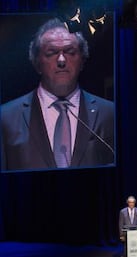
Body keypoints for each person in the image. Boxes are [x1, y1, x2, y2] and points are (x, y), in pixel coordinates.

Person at [1, 17, 114, 171]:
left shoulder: (109, 114)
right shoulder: (6, 118)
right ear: (37, 62)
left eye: (70, 52)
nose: (61, 60)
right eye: (51, 53)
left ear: (82, 60)